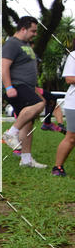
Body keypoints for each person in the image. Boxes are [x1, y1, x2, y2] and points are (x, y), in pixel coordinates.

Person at [1, 17, 46, 168]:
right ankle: (11, 132)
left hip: (27, 86)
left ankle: (26, 159)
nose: (35, 34)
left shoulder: (25, 44)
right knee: (40, 104)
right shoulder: (12, 44)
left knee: (28, 121)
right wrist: (8, 87)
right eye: (33, 30)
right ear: (23, 29)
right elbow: (4, 66)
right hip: (16, 86)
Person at [52, 39, 75, 176]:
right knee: (71, 137)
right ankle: (57, 168)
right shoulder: (73, 55)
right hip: (74, 104)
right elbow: (69, 79)